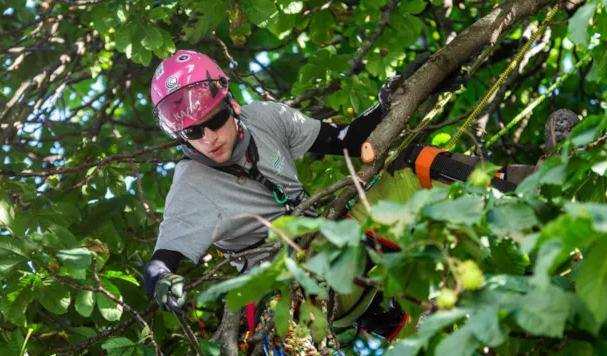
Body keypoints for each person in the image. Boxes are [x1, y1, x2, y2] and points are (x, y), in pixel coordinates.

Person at [141, 49, 571, 340]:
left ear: (230, 103)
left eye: (213, 120)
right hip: (295, 291)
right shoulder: (191, 184)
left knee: (412, 163)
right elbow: (163, 259)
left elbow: (346, 141)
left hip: (343, 238)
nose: (209, 138)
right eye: (192, 133)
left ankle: (530, 186)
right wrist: (163, 281)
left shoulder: (266, 118)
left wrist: (398, 96)